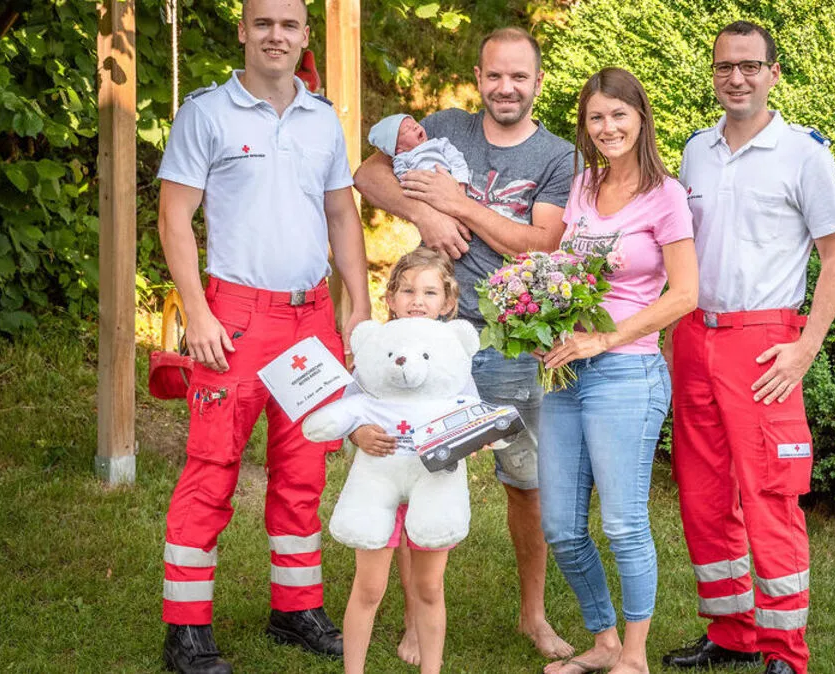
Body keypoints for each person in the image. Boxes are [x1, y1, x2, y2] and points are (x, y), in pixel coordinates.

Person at [155, 1, 371, 672]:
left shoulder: (321, 120)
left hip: (310, 321)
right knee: (212, 469)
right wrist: (196, 312)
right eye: (264, 23)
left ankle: (296, 608)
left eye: (290, 25)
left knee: (304, 470)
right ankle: (186, 628)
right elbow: (173, 215)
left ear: (305, 35)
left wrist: (356, 308)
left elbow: (341, 215)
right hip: (234, 319)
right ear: (243, 31)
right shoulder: (206, 113)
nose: (277, 36)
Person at [352, 26, 578, 660]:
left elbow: (543, 244)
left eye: (519, 77)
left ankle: (532, 616)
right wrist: (426, 213)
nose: (506, 87)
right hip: (428, 339)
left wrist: (459, 203)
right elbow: (368, 175)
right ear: (479, 78)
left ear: (537, 82)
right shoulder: (447, 126)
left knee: (524, 483)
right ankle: (413, 621)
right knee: (413, 469)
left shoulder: (558, 157)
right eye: (494, 75)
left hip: (509, 343)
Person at [661, 21, 835, 674]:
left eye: (750, 65)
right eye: (724, 67)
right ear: (712, 75)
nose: (736, 78)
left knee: (769, 493)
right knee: (704, 492)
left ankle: (784, 653)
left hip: (767, 343)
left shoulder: (805, 154)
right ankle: (732, 634)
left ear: (774, 72)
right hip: (695, 337)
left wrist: (806, 348)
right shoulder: (694, 152)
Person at [536, 68, 698, 674]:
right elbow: (558, 272)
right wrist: (541, 326)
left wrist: (605, 338)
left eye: (618, 115)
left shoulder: (667, 195)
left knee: (625, 523)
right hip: (565, 373)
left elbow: (684, 294)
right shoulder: (581, 186)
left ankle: (634, 656)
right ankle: (603, 640)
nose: (607, 127)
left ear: (640, 118)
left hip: (627, 373)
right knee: (560, 526)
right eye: (596, 117)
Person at [333, 248, 466, 674]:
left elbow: (471, 412)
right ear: (389, 298)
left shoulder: (452, 356)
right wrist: (357, 433)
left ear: (447, 302)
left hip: (433, 481)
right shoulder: (377, 349)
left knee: (430, 587)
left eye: (429, 292)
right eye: (407, 290)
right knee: (369, 587)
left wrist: (472, 440)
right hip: (379, 478)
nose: (417, 300)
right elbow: (351, 405)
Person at [367, 113, 472, 185]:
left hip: (451, 182)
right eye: (407, 129)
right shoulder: (402, 158)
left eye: (415, 123)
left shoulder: (439, 143)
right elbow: (404, 177)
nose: (416, 127)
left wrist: (460, 183)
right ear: (399, 149)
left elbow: (457, 159)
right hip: (426, 191)